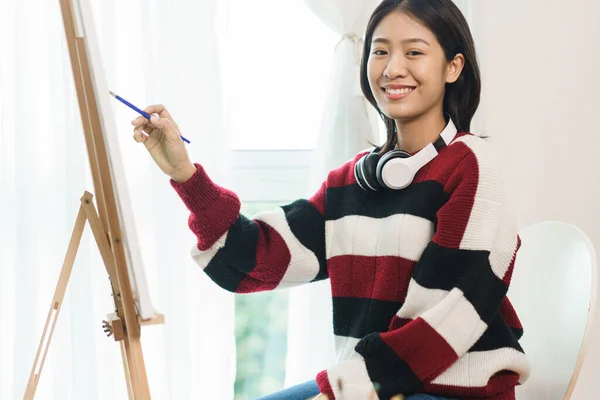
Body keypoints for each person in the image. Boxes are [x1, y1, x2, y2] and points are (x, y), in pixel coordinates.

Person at [131, 0, 531, 399]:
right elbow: (254, 260)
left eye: (414, 52)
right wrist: (185, 175)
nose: (393, 68)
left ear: (452, 67)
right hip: (368, 384)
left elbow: (451, 317)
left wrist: (351, 390)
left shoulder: (474, 167)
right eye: (380, 51)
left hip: (456, 390)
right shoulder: (354, 183)